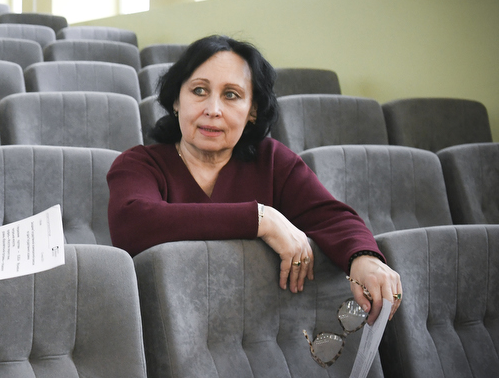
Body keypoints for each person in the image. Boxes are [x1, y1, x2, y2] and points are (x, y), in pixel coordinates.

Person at [107, 35, 402, 324]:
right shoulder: (139, 164)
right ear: (176, 100)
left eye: (231, 95)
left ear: (253, 110)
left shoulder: (272, 160)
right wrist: (261, 219)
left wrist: (364, 258)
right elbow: (133, 223)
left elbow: (331, 217)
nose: (212, 110)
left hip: (254, 330)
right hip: (164, 326)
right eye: (199, 91)